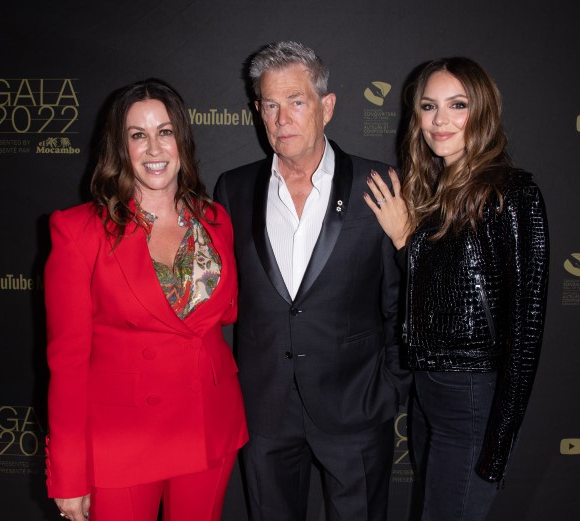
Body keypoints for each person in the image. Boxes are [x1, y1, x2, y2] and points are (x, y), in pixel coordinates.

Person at [214, 41, 411, 521]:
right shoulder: (232, 189)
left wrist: (390, 387)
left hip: (356, 407)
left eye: (296, 102)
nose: (282, 118)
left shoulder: (379, 184)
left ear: (327, 106)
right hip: (265, 410)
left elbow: (403, 299)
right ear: (258, 111)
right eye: (270, 104)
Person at [44, 78, 248, 521]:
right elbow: (68, 362)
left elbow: (224, 314)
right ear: (121, 147)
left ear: (182, 141)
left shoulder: (214, 219)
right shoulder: (79, 232)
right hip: (124, 440)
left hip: (208, 425)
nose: (154, 149)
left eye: (165, 132)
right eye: (138, 135)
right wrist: (69, 473)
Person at [364, 57, 549, 521]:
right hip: (431, 393)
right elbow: (441, 293)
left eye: (457, 105)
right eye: (429, 106)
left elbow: (527, 331)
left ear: (482, 111)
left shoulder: (510, 193)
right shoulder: (434, 191)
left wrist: (500, 441)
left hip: (473, 396)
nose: (440, 120)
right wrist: (409, 243)